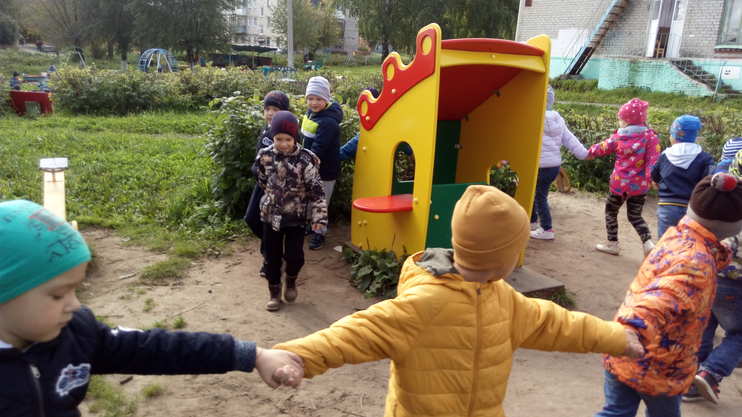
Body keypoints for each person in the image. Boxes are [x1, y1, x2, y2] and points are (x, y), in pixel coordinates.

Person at [274, 185, 644, 417]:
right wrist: (297, 356)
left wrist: (615, 337)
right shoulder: (422, 305)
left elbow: (557, 325)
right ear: (502, 257)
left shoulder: (505, 300)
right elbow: (355, 333)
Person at [0, 200, 303, 416]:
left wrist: (254, 355)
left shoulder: (77, 333)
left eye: (75, 289)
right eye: (58, 295)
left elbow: (154, 348)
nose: (75, 305)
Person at [596, 173, 742, 417]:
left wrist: (726, 248)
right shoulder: (697, 265)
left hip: (623, 351)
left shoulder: (679, 235)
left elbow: (694, 259)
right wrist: (632, 327)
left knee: (616, 412)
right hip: (658, 363)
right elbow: (660, 299)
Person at [683, 150, 742, 404]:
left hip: (709, 274)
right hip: (735, 284)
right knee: (739, 334)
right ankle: (711, 372)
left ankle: (690, 382)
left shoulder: (725, 201)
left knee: (704, 328)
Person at [254, 111, 328, 311]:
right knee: (271, 256)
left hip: (297, 217)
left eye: (288, 139)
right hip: (271, 216)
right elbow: (261, 179)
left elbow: (317, 192)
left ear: (295, 138)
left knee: (295, 256)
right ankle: (274, 293)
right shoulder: (265, 156)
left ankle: (291, 280)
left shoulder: (306, 160)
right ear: (273, 137)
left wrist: (319, 219)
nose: (283, 144)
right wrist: (274, 197)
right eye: (278, 139)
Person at [587, 98, 660, 256]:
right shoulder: (650, 137)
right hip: (639, 186)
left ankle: (613, 244)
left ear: (627, 121)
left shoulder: (619, 137)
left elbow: (603, 147)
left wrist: (589, 152)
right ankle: (648, 244)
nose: (619, 122)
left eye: (620, 119)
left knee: (611, 212)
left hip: (619, 185)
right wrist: (651, 178)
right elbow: (653, 161)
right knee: (635, 216)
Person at [530, 86, 589, 240]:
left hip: (538, 166)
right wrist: (584, 153)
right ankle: (532, 222)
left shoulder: (532, 118)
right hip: (553, 167)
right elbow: (570, 140)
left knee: (537, 196)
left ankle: (546, 229)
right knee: (539, 194)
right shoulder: (558, 120)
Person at [244, 90, 291, 278]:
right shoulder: (266, 129)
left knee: (269, 223)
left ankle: (271, 260)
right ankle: (275, 252)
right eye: (267, 109)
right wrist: (256, 169)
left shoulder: (286, 134)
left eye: (275, 109)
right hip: (261, 184)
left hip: (276, 189)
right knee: (251, 219)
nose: (270, 113)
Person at [651, 115, 715, 238]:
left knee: (665, 242)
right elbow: (709, 183)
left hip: (667, 208)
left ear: (674, 135)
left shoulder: (665, 156)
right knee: (689, 243)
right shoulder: (705, 158)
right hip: (693, 210)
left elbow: (654, 178)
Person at [300, 76, 343, 250]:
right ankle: (312, 226)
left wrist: (303, 163)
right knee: (310, 199)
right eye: (310, 98)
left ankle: (319, 233)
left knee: (320, 202)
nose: (314, 102)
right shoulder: (312, 114)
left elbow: (319, 148)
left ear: (326, 99)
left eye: (319, 99)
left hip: (325, 171)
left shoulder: (328, 122)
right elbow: (304, 139)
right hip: (311, 167)